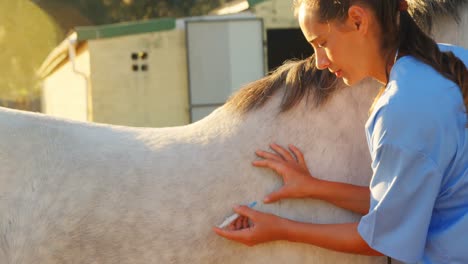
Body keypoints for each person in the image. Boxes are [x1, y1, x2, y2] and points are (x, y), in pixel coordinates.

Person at [213, 0, 468, 263]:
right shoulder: (458, 61)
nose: (319, 62)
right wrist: (314, 187)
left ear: (358, 20)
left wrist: (280, 229)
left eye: (321, 43)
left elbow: (380, 238)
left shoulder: (400, 108)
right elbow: (402, 203)